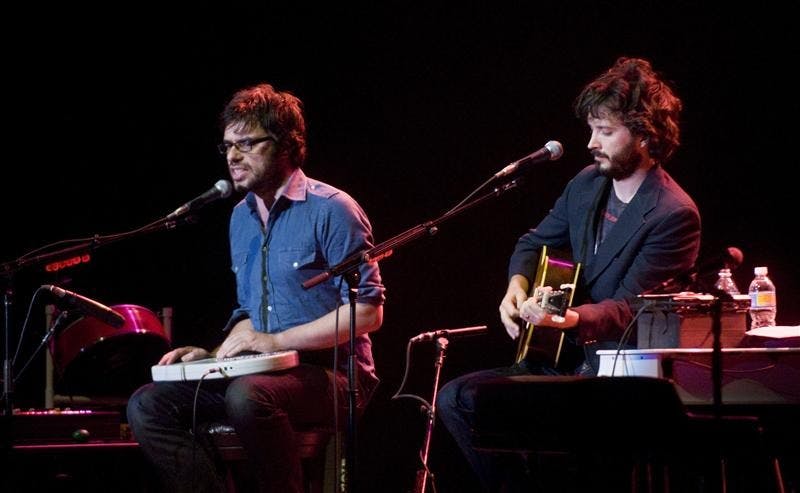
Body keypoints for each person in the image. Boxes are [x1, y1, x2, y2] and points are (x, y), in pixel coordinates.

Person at [436, 57, 701, 491]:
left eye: (606, 131)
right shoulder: (586, 183)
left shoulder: (673, 213)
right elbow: (531, 243)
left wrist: (571, 318)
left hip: (616, 374)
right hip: (560, 361)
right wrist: (515, 288)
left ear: (645, 135)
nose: (592, 142)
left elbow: (632, 310)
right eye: (592, 129)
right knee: (457, 399)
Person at [127, 83, 385, 493]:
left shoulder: (333, 209)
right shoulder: (239, 218)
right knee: (148, 404)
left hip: (333, 377)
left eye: (246, 143)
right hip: (263, 373)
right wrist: (211, 355)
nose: (232, 156)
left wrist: (276, 340)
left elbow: (368, 312)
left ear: (286, 144)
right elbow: (249, 316)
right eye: (227, 145)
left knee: (248, 397)